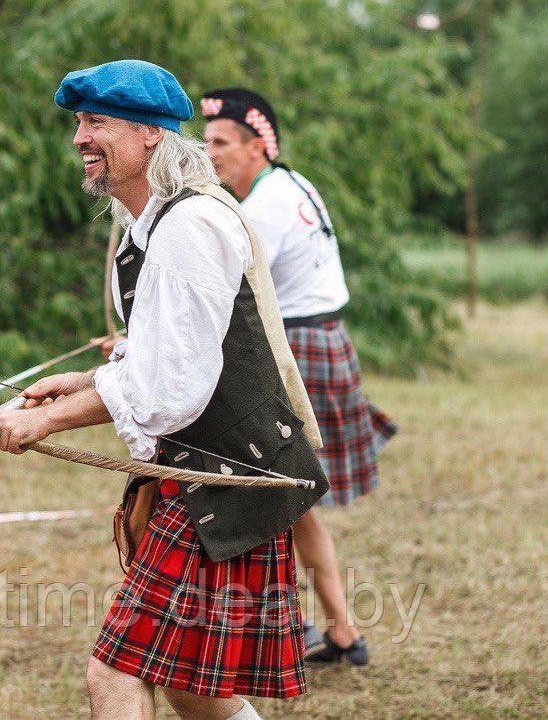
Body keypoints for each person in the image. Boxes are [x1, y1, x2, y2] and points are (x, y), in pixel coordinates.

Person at [0, 60, 330, 718]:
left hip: (228, 475)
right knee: (192, 685)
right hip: (211, 470)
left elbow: (171, 392)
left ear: (151, 134)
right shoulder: (154, 224)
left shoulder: (189, 228)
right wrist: (79, 382)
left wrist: (43, 423)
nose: (80, 137)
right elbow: (167, 351)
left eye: (96, 121)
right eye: (79, 122)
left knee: (116, 671)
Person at [200, 87, 398, 666]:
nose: (208, 153)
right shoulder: (293, 182)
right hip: (320, 340)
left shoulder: (263, 206)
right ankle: (337, 633)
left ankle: (298, 629)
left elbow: (230, 296)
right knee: (291, 501)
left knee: (278, 497)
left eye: (220, 142)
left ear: (257, 146)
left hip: (300, 346)